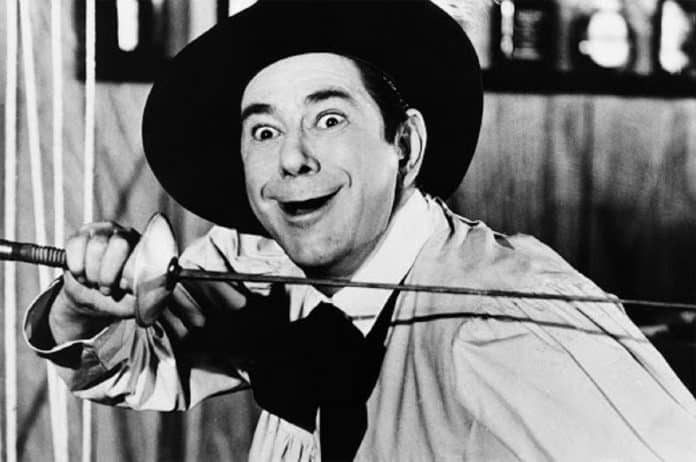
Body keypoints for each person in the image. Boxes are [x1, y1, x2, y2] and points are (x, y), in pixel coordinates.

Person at [24, 1, 696, 460]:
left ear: (405, 145)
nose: (292, 158)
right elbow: (132, 363)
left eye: (329, 119)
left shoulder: (507, 321)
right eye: (264, 131)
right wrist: (83, 304)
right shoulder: (257, 263)